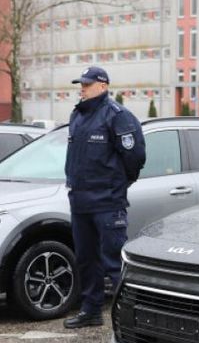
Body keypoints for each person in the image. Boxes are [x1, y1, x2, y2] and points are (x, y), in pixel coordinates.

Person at [62, 66, 146, 329]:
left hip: (108, 202)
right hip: (81, 202)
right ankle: (91, 311)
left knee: (114, 262)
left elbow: (135, 158)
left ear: (103, 86)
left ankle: (132, 317)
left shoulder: (117, 116)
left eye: (87, 84)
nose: (82, 88)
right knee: (86, 259)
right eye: (81, 84)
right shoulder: (78, 115)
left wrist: (119, 184)